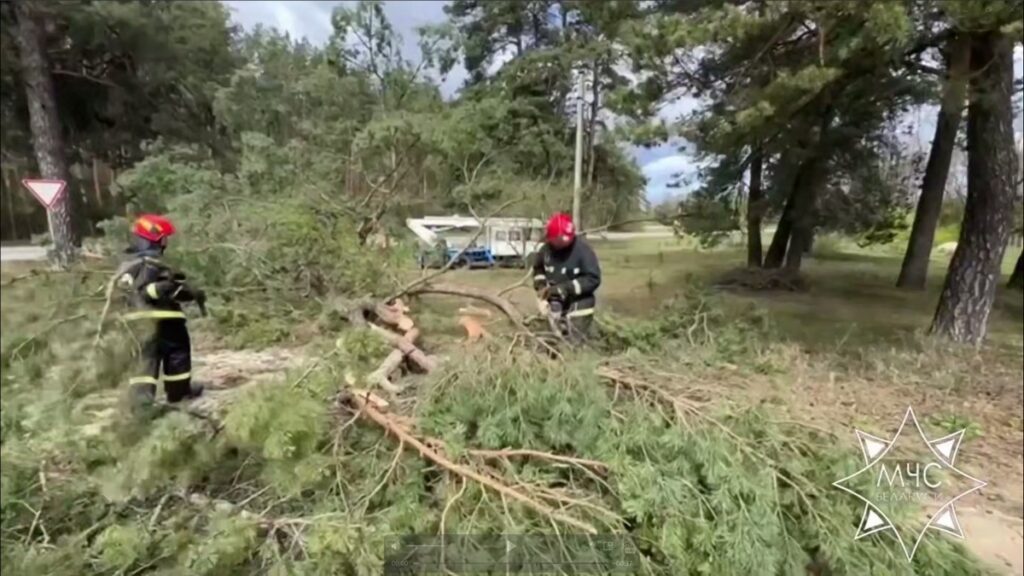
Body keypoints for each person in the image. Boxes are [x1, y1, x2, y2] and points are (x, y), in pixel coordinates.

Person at [116, 214, 206, 407]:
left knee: (144, 360)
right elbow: (161, 290)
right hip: (167, 321)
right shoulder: (156, 265)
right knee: (177, 355)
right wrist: (190, 292)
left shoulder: (125, 267)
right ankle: (179, 392)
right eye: (163, 239)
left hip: (136, 325)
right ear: (154, 239)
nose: (165, 244)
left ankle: (141, 400)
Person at [532, 212, 601, 343]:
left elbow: (593, 279)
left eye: (567, 239)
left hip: (579, 304)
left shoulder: (583, 251)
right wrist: (541, 287)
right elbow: (538, 270)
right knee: (551, 339)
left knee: (573, 341)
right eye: (560, 240)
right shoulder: (545, 251)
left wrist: (564, 288)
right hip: (555, 303)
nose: (565, 242)